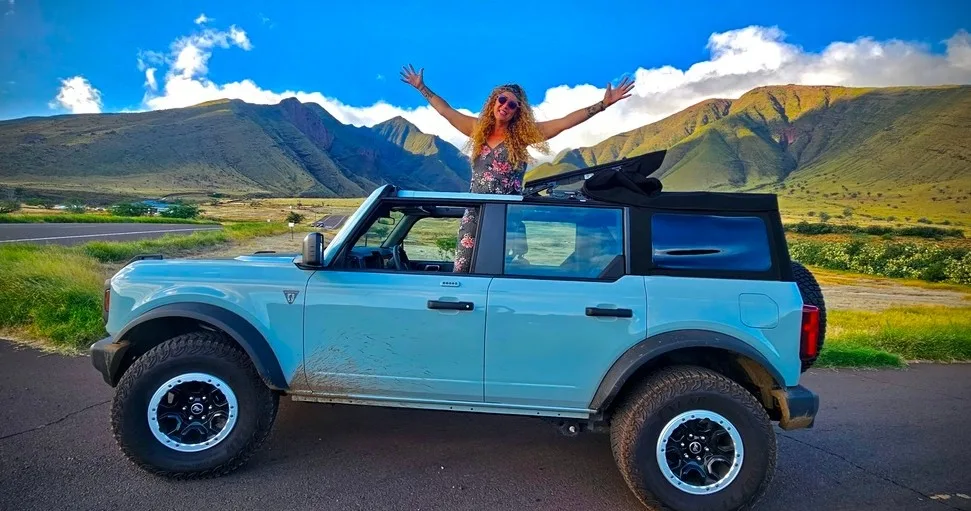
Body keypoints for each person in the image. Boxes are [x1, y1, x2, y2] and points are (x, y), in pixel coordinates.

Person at [400, 64, 634, 272]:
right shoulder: (476, 130)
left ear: (517, 112)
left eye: (512, 104)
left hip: (508, 215)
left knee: (507, 273)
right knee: (465, 270)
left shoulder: (522, 137)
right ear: (493, 101)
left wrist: (603, 104)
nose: (505, 106)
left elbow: (563, 123)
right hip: (476, 213)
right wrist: (422, 87)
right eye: (502, 100)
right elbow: (446, 111)